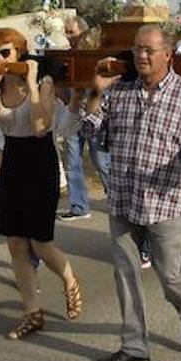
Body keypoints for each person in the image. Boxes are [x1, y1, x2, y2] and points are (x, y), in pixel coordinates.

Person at [82, 25, 181, 361]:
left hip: (164, 202)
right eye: (137, 50)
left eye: (148, 50)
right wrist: (96, 95)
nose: (141, 56)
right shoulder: (121, 90)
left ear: (167, 55)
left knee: (169, 272)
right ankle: (134, 346)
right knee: (125, 272)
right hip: (124, 198)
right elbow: (90, 133)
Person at [0, 27, 83, 341]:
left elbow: (42, 128)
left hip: (40, 161)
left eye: (4, 53)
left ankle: (68, 279)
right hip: (12, 160)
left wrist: (32, 86)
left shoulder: (43, 80)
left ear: (20, 52)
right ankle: (32, 313)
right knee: (15, 242)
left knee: (40, 242)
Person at [57, 15, 107, 222]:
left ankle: (118, 199)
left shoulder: (96, 56)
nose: (68, 37)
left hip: (95, 116)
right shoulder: (66, 58)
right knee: (72, 161)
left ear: (83, 32)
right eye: (66, 32)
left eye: (72, 32)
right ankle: (79, 206)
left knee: (101, 160)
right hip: (74, 111)